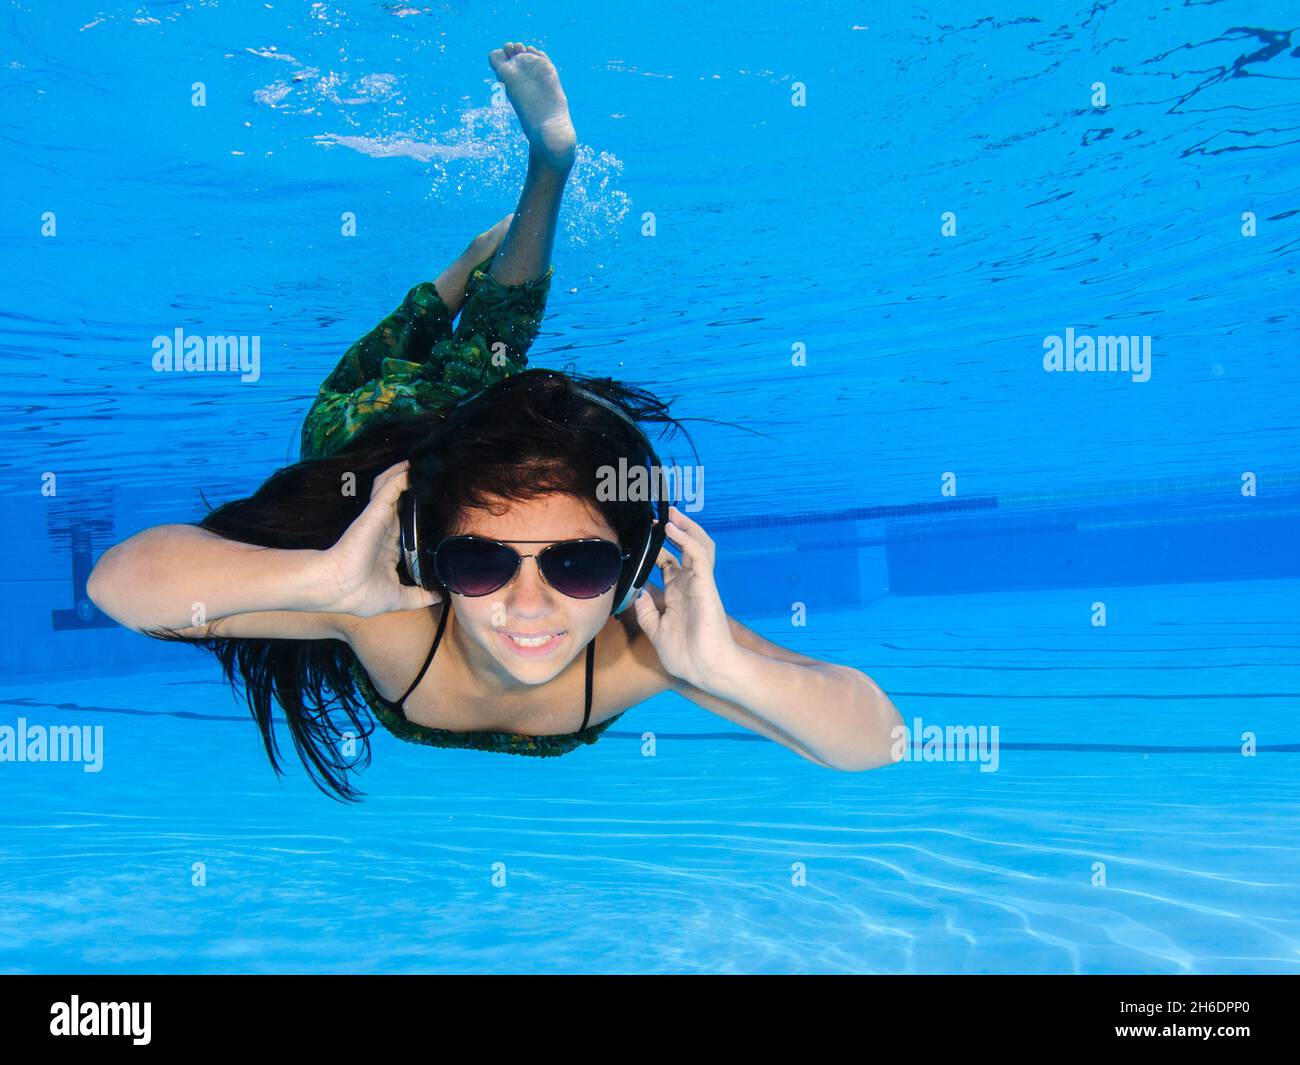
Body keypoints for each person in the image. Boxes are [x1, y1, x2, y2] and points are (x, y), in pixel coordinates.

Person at [88, 42, 903, 802]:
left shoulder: (648, 651)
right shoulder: (389, 612)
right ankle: (508, 215)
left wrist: (726, 666)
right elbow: (115, 586)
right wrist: (321, 578)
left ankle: (536, 183)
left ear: (631, 566)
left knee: (485, 346)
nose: (528, 605)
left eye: (579, 565)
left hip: (395, 438)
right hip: (375, 429)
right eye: (478, 561)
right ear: (426, 554)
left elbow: (881, 739)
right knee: (445, 342)